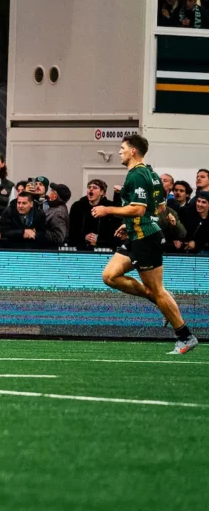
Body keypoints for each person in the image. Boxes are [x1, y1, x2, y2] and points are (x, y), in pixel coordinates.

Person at [92, 135, 195, 354]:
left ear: (133, 152)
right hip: (136, 234)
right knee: (110, 276)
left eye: (122, 148)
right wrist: (128, 223)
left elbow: (139, 209)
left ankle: (185, 336)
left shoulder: (137, 175)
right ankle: (160, 298)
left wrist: (107, 209)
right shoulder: (151, 174)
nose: (119, 152)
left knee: (156, 289)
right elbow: (158, 208)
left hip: (145, 238)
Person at [68, 179, 118, 250]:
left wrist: (99, 240)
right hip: (81, 249)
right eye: (89, 187)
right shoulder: (77, 206)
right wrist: (84, 237)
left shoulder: (108, 207)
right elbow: (72, 231)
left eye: (95, 188)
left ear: (102, 192)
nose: (91, 189)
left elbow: (113, 233)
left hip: (103, 249)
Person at [44, 183, 71, 247]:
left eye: (52, 191)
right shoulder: (54, 207)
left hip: (53, 251)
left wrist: (40, 231)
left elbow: (58, 238)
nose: (49, 193)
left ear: (55, 196)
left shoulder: (59, 212)